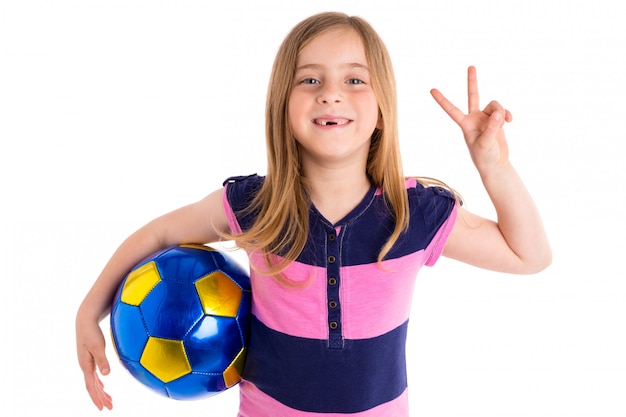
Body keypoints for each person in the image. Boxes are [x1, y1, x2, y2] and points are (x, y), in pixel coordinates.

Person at [75, 11, 551, 416]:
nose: (331, 93)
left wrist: (495, 166)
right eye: (310, 79)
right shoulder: (257, 207)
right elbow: (159, 234)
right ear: (284, 105)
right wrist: (87, 312)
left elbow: (529, 256)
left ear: (382, 109)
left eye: (355, 79)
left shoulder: (414, 214)